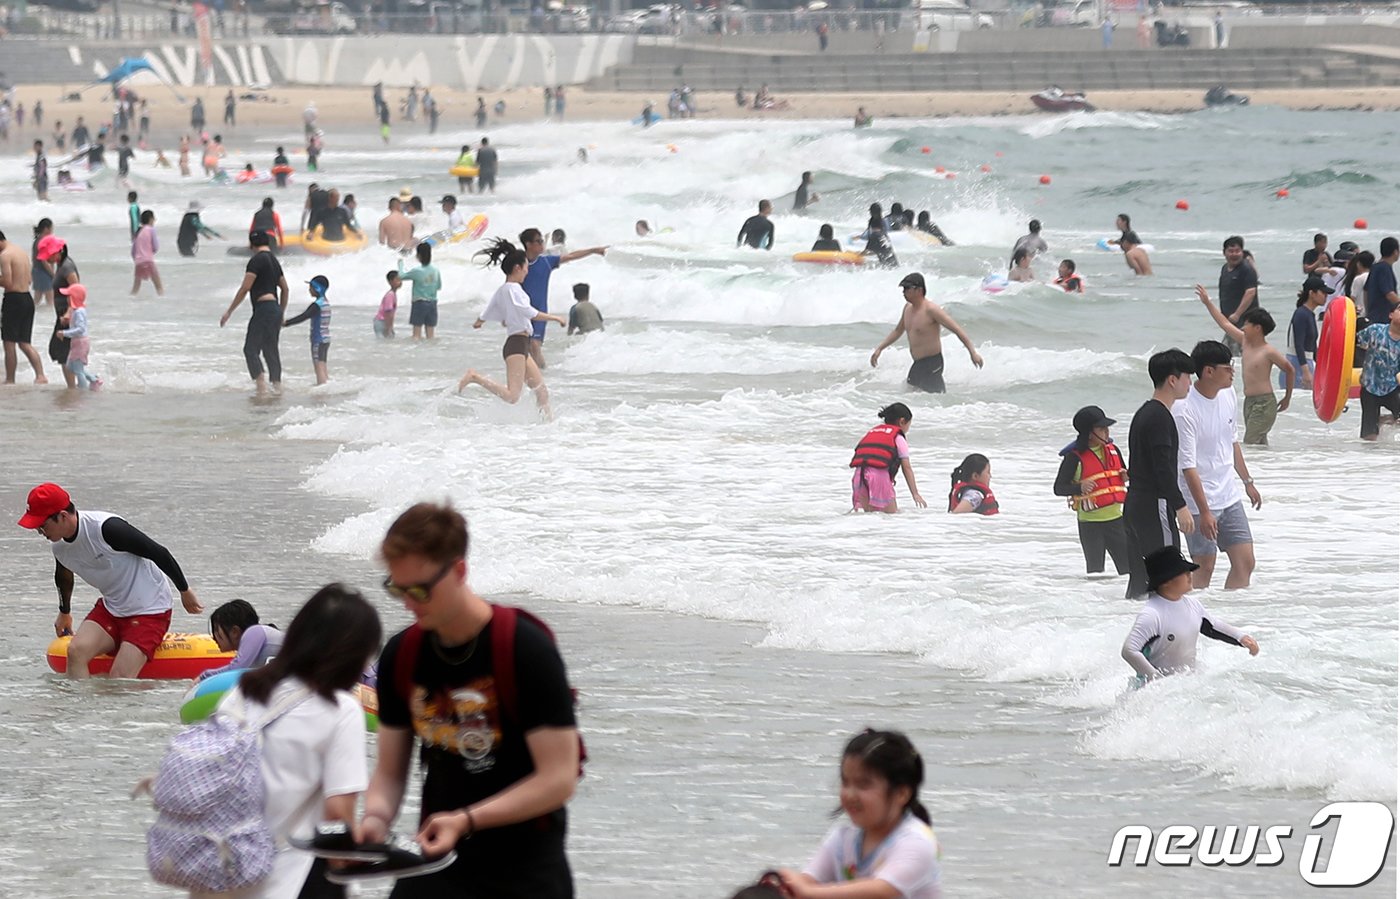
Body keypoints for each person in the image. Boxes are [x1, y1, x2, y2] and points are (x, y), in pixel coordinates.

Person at [352, 503, 580, 896]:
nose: (409, 603)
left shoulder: (526, 649)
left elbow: (558, 779)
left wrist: (466, 819)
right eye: (397, 589)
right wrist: (374, 820)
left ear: (459, 571)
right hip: (435, 861)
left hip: (524, 871)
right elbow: (390, 773)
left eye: (420, 590)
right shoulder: (402, 655)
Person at [208, 585, 381, 898]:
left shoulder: (242, 694)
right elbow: (338, 819)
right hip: (291, 877)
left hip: (222, 873)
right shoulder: (341, 710)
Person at [19, 482, 203, 679]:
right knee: (75, 652)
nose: (40, 532)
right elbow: (64, 575)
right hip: (112, 608)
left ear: (62, 516)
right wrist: (64, 613)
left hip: (150, 610)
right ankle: (78, 708)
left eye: (42, 525)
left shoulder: (107, 529)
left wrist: (184, 590)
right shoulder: (59, 547)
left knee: (119, 679)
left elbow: (157, 552)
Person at [775, 729, 942, 899]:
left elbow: (881, 890)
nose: (850, 794)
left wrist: (808, 892)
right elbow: (808, 882)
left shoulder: (917, 841)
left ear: (901, 794)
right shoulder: (842, 838)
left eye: (863, 785)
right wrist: (788, 886)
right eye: (846, 783)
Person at [1174, 340, 1262, 590]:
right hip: (1197, 500)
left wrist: (1248, 482)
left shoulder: (1228, 394)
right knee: (1204, 567)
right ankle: (1193, 621)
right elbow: (1187, 466)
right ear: (1208, 371)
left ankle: (1229, 616)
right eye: (1228, 367)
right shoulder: (1185, 408)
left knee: (1245, 562)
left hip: (1228, 494)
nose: (1233, 372)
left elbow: (1231, 440)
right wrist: (1204, 511)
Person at [460, 239, 566, 419]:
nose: (527, 271)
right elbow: (529, 312)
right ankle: (474, 377)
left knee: (541, 392)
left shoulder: (504, 289)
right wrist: (555, 318)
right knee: (512, 396)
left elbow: (489, 309)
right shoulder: (513, 289)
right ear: (517, 268)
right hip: (516, 345)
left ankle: (549, 427)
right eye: (525, 267)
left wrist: (480, 321)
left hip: (520, 345)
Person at [1122, 547, 1259, 682]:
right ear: (1166, 581)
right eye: (1183, 572)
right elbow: (1129, 650)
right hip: (1154, 692)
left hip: (1186, 683)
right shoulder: (1152, 614)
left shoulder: (1193, 604)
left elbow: (1213, 626)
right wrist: (1156, 679)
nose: (1190, 575)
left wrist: (1242, 638)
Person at [1122, 349, 1196, 598]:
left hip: (1135, 504)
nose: (1190, 383)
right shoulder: (1160, 417)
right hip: (1154, 505)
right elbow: (1162, 468)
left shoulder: (1145, 413)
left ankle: (1133, 630)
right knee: (1169, 577)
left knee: (1141, 579)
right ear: (1172, 380)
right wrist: (1180, 506)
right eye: (1187, 376)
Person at [1194, 286, 1293, 446]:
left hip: (1264, 403)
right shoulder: (1245, 342)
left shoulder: (1269, 351)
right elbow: (1224, 324)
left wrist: (1287, 398)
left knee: (1250, 442)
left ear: (1257, 328)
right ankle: (1266, 468)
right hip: (1249, 402)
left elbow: (1289, 369)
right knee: (1259, 444)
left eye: (1246, 324)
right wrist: (1207, 303)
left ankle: (1253, 468)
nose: (1242, 327)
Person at [870, 272, 983, 393]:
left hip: (932, 362)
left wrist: (973, 353)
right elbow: (898, 331)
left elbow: (957, 330)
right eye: (903, 289)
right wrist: (880, 349)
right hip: (918, 363)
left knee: (927, 397)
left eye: (907, 288)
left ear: (919, 290)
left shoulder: (931, 310)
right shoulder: (907, 308)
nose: (903, 292)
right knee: (916, 395)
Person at [1054, 406, 1129, 575]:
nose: (1107, 432)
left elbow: (1121, 473)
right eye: (1101, 429)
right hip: (1090, 524)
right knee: (1096, 573)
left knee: (1128, 571)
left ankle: (1127, 603)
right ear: (1089, 432)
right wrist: (1079, 487)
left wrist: (1125, 476)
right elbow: (1058, 488)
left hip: (1117, 520)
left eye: (1107, 428)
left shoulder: (1113, 450)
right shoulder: (1073, 457)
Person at [520, 227, 606, 369]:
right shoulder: (518, 263)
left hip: (540, 312)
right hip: (521, 312)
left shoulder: (547, 262)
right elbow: (509, 285)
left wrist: (593, 250)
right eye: (538, 241)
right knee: (524, 350)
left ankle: (543, 376)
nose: (542, 243)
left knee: (534, 345)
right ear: (528, 244)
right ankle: (534, 379)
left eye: (542, 240)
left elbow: (571, 256)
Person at [220, 230, 289, 396]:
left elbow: (245, 288)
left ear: (251, 245)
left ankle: (261, 387)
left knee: (250, 349)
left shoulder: (256, 260)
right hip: (274, 309)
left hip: (263, 308)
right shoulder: (274, 260)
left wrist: (229, 311)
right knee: (270, 349)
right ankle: (277, 387)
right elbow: (285, 288)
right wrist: (282, 311)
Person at [848, 402, 927, 514]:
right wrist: (915, 494)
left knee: (869, 518)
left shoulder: (873, 432)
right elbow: (907, 468)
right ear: (902, 421)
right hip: (878, 478)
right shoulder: (898, 438)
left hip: (859, 477)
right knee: (891, 518)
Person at [0, 230, 48, 384]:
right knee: (24, 343)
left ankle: (10, 379)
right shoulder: (20, 252)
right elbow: (28, 281)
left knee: (9, 342)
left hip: (13, 300)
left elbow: (7, 282)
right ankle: (41, 375)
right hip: (27, 299)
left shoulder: (5, 255)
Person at [197, 599, 285, 682]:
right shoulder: (253, 647)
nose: (213, 637)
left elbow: (236, 668)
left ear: (235, 631)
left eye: (216, 630)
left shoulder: (254, 632)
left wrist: (204, 676)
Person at [1355, 302, 1400, 441]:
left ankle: (1383, 420)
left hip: (1391, 387)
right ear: (1391, 315)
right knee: (1369, 437)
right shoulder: (1375, 331)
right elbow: (1351, 342)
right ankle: (1370, 460)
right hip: (1370, 388)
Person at [37, 235, 77, 388]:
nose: (47, 259)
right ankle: (73, 385)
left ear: (58, 251)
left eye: (49, 255)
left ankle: (73, 387)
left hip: (67, 316)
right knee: (59, 351)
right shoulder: (61, 266)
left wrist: (69, 312)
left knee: (62, 352)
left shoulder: (67, 267)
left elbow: (76, 291)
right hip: (62, 315)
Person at [283, 274, 333, 386]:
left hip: (318, 339)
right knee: (323, 365)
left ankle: (322, 391)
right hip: (326, 339)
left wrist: (286, 323)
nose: (309, 289)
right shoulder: (326, 302)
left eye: (311, 287)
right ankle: (326, 386)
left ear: (317, 289)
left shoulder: (316, 305)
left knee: (318, 367)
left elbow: (303, 316)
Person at [1216, 235, 1259, 354]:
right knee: (1229, 352)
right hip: (1230, 321)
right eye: (1231, 251)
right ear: (1224, 253)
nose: (1234, 254)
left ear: (1242, 252)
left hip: (1245, 321)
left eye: (1237, 251)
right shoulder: (1225, 268)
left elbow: (1250, 292)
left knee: (1242, 353)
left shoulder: (1246, 269)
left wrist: (1237, 314)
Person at [1283, 276, 1325, 391]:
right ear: (1312, 293)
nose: (1326, 296)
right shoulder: (1301, 314)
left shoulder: (1310, 314)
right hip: (1297, 363)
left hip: (1305, 362)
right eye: (1323, 292)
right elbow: (1298, 344)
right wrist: (1305, 371)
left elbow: (1312, 345)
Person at [55, 284, 100, 390]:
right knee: (71, 366)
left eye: (68, 296)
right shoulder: (76, 311)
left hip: (80, 343)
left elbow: (80, 329)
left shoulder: (79, 312)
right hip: (77, 342)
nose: (66, 298)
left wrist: (64, 333)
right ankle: (93, 379)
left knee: (78, 370)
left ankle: (82, 391)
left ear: (74, 297)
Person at [399, 242, 443, 341]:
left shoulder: (417, 271)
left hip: (419, 303)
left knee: (416, 335)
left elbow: (401, 276)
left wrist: (400, 264)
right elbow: (439, 286)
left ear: (418, 256)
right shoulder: (435, 270)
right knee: (431, 335)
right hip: (432, 303)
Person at [1364, 236, 1399, 329]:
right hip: (1383, 318)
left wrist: (1368, 311)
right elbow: (1389, 294)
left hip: (1373, 316)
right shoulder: (1384, 268)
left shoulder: (1375, 267)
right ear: (1395, 251)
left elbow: (1366, 291)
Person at [130, 210, 163, 297]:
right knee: (159, 286)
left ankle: (129, 301)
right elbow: (155, 247)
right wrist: (149, 252)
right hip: (148, 260)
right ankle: (162, 301)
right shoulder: (151, 229)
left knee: (135, 288)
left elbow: (133, 251)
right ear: (150, 219)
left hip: (138, 262)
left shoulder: (138, 232)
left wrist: (137, 259)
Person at [30, 219, 54, 308]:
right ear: (46, 229)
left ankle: (29, 313)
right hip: (42, 272)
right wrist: (53, 274)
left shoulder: (38, 240)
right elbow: (44, 261)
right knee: (50, 299)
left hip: (37, 271)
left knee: (38, 297)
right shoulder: (43, 241)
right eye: (51, 228)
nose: (52, 231)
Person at [376, 270, 401, 339]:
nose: (400, 282)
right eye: (398, 280)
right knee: (384, 341)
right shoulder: (390, 295)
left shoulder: (393, 294)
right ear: (390, 282)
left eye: (400, 280)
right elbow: (388, 312)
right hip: (382, 322)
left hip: (383, 321)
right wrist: (389, 328)